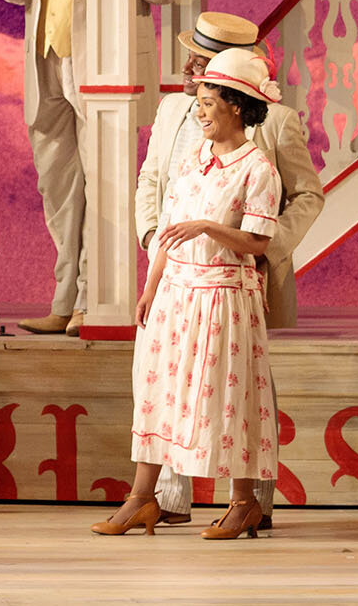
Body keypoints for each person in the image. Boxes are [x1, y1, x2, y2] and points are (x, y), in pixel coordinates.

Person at [0, 0, 180, 334]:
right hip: (46, 61)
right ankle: (63, 298)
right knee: (58, 186)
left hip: (103, 65)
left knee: (103, 184)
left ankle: (93, 302)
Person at [132, 12, 321, 528]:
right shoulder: (175, 111)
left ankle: (251, 504)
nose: (192, 68)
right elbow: (153, 180)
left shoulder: (275, 125)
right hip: (176, 270)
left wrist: (261, 249)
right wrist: (157, 242)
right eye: (193, 57)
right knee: (170, 382)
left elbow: (306, 195)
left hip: (233, 275)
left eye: (204, 61)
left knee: (239, 387)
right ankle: (164, 499)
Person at [93, 44, 283, 540]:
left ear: (236, 107)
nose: (199, 113)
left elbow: (258, 241)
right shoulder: (196, 157)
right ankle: (141, 499)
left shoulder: (257, 168)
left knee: (230, 396)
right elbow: (172, 227)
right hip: (176, 292)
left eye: (207, 103)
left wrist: (208, 227)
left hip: (223, 296)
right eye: (198, 103)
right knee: (158, 391)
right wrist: (151, 287)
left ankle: (242, 504)